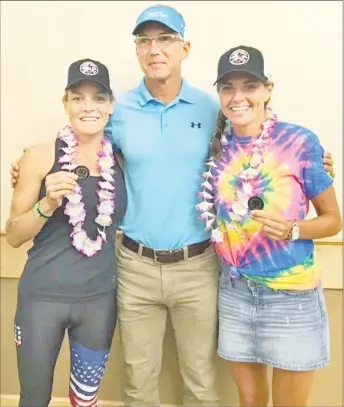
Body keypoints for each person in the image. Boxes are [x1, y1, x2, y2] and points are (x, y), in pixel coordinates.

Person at [8, 5, 335, 407]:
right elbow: (81, 138)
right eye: (144, 41)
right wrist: (32, 164)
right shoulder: (118, 110)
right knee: (138, 381)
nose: (155, 49)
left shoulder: (212, 108)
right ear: (137, 51)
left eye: (165, 39)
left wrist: (313, 160)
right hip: (134, 266)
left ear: (185, 47)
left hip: (198, 265)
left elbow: (258, 140)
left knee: (200, 381)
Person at [196, 45, 342, 407]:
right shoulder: (216, 147)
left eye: (249, 86)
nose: (238, 97)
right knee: (249, 400)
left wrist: (293, 229)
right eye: (228, 88)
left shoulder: (299, 142)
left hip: (290, 294)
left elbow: (333, 221)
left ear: (268, 90)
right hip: (234, 289)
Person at [5, 58, 127, 407]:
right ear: (66, 103)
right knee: (34, 398)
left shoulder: (121, 161)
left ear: (111, 105)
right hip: (41, 299)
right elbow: (13, 235)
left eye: (98, 98)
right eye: (78, 97)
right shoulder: (41, 156)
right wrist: (47, 203)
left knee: (85, 400)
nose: (89, 106)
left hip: (99, 301)